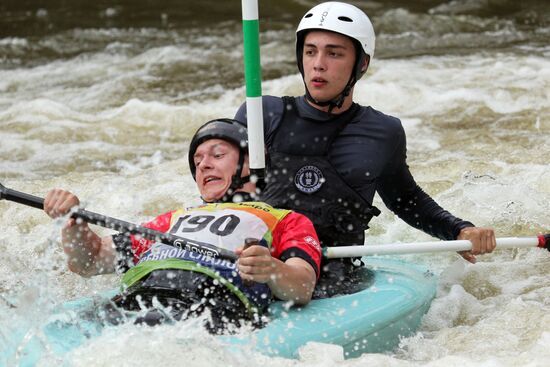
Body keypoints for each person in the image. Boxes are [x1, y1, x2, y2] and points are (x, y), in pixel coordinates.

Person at [234, 2, 496, 297]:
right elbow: (221, 194)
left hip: (334, 272)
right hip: (254, 264)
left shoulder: (382, 131)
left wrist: (459, 230)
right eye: (310, 51)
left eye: (334, 53)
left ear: (362, 63)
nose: (318, 63)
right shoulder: (261, 114)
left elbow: (406, 200)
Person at [43, 118, 321, 333]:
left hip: (214, 304)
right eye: (198, 161)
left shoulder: (287, 219)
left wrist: (273, 269)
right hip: (140, 299)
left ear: (250, 162)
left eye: (217, 155)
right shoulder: (172, 219)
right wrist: (74, 224)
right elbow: (89, 263)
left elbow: (303, 286)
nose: (203, 166)